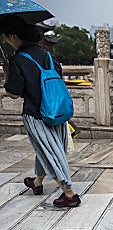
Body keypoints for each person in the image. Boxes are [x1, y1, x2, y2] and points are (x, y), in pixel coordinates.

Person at [1, 16, 81, 208]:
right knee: (47, 148)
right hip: (57, 111)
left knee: (48, 152)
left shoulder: (18, 59)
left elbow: (13, 93)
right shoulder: (48, 55)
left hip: (36, 114)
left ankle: (69, 194)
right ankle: (37, 183)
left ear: (12, 36)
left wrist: (7, 73)